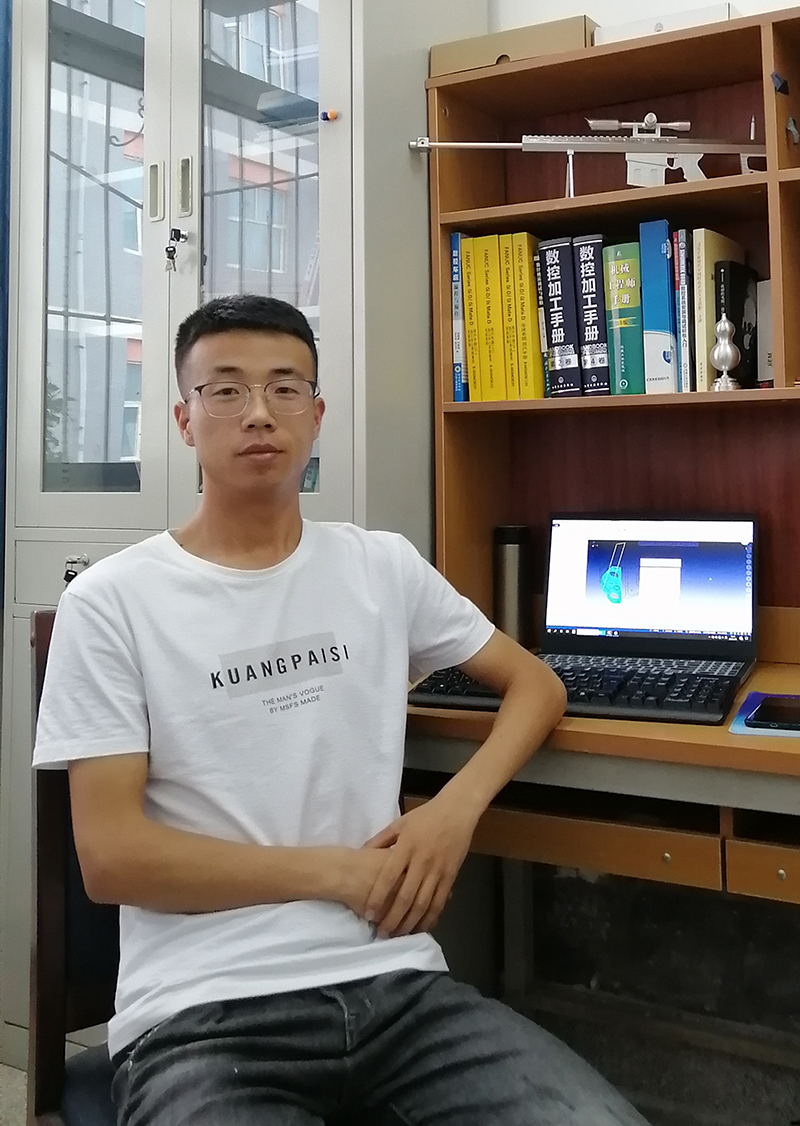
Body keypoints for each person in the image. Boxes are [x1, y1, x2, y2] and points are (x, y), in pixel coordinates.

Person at [34, 295, 650, 1126]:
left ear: (317, 417)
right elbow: (112, 858)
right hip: (202, 1011)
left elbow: (537, 685)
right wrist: (339, 873)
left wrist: (450, 814)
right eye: (226, 390)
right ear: (183, 420)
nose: (260, 413)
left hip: (398, 990)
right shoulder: (113, 602)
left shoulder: (380, 568)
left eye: (286, 389)